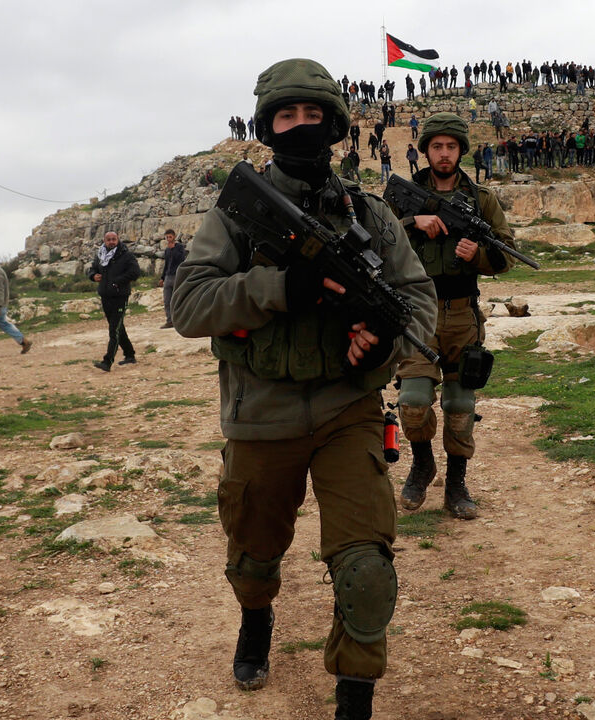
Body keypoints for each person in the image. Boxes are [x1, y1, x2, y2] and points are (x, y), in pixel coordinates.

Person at [171, 58, 436, 720]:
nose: (299, 126)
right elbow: (189, 305)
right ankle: (256, 621)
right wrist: (281, 287)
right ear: (266, 126)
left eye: (312, 115)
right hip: (261, 413)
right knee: (253, 559)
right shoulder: (238, 214)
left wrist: (384, 338)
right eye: (286, 116)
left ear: (335, 125)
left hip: (348, 409)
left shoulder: (369, 214)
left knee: (368, 567)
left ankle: (354, 699)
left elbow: (417, 299)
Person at [395, 112, 516, 521]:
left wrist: (477, 255)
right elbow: (378, 238)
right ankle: (422, 463)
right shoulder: (406, 194)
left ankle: (456, 482)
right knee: (412, 401)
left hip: (463, 314)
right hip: (417, 314)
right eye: (436, 147)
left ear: (461, 151)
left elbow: (505, 255)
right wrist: (415, 220)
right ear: (426, 150)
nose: (443, 154)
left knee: (461, 406)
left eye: (451, 146)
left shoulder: (482, 200)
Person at [88, 231, 141, 371]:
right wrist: (93, 276)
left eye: (114, 239)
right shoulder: (100, 255)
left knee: (114, 330)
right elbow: (92, 268)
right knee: (118, 327)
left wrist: (117, 282)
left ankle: (107, 361)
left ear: (118, 240)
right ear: (104, 241)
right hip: (105, 296)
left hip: (120, 296)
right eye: (109, 239)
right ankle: (130, 354)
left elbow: (135, 272)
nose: (111, 241)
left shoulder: (126, 255)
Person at [159, 229, 187, 329]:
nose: (168, 239)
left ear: (174, 237)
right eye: (167, 237)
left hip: (177, 276)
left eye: (170, 237)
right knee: (167, 300)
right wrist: (162, 277)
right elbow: (166, 264)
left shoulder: (179, 247)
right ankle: (169, 321)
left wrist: (173, 249)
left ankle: (180, 320)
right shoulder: (167, 250)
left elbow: (181, 259)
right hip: (168, 276)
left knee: (178, 299)